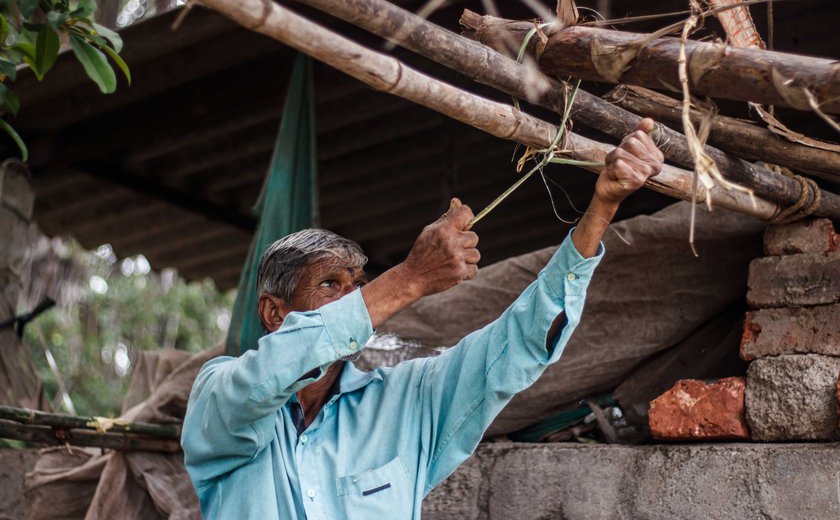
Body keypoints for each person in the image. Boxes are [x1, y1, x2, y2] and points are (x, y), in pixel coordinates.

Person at [182, 119, 664, 519]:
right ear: (273, 312)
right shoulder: (219, 397)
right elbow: (269, 375)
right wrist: (409, 278)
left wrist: (602, 207)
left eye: (358, 284)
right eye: (330, 284)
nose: (356, 299)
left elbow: (517, 344)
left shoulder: (407, 402)